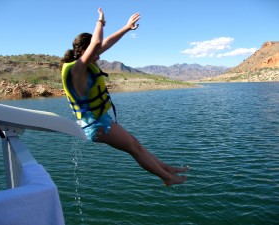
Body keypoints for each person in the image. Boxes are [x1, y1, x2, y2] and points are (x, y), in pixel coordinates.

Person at [61, 7, 188, 186]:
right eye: (94, 51)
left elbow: (105, 43)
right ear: (84, 51)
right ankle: (167, 178)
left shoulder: (84, 63)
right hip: (95, 125)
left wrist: (127, 28)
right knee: (134, 149)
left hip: (100, 120)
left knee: (135, 145)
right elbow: (97, 42)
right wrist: (100, 21)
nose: (99, 55)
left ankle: (165, 169)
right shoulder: (77, 70)